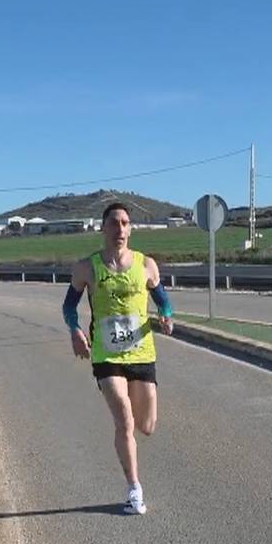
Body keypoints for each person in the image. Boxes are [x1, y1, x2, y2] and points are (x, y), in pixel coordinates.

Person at [62, 202, 175, 515]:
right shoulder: (86, 267)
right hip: (105, 354)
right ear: (103, 228)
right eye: (114, 223)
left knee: (147, 426)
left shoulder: (146, 265)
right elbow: (68, 307)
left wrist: (166, 316)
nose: (120, 229)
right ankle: (134, 488)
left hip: (142, 352)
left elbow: (164, 301)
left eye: (125, 223)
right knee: (124, 418)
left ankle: (132, 457)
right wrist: (75, 331)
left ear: (131, 228)